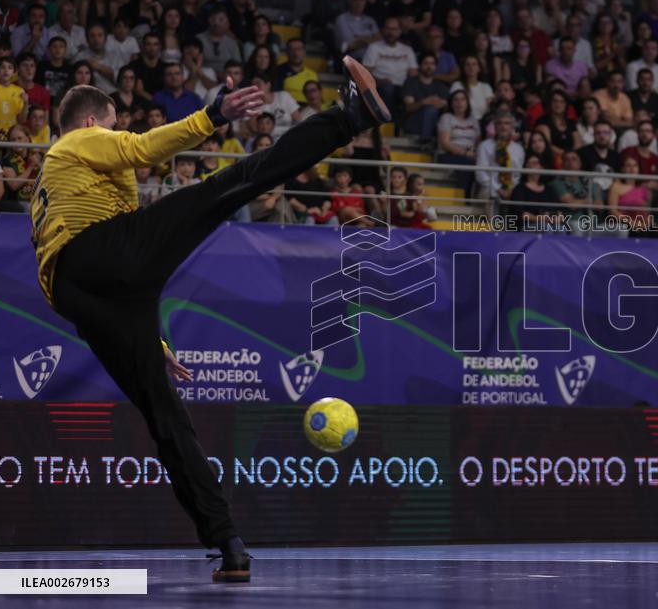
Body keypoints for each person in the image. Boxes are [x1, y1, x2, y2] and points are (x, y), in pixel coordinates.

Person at [28, 56, 392, 583]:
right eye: (111, 123)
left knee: (167, 420)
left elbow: (120, 271)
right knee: (236, 182)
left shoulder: (62, 182)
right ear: (91, 123)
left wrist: (148, 335)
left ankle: (229, 545)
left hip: (83, 295)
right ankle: (349, 119)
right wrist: (213, 115)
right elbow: (141, 148)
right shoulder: (76, 143)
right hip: (100, 256)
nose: (115, 132)